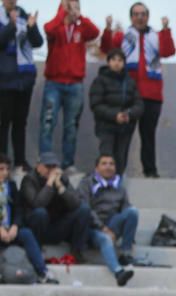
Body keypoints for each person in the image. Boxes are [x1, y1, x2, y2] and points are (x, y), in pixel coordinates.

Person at [99, 2, 175, 178]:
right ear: (131, 17)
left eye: (143, 14)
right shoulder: (123, 35)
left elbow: (168, 51)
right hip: (129, 94)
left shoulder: (156, 35)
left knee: (148, 135)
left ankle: (150, 170)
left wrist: (166, 30)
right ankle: (118, 172)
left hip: (152, 93)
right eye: (135, 14)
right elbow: (107, 49)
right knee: (124, 135)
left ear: (147, 16)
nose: (139, 17)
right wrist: (108, 30)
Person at [40, 0, 100, 172]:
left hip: (75, 84)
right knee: (47, 123)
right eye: (70, 6)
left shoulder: (81, 29)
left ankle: (68, 163)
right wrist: (62, 14)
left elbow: (95, 32)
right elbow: (48, 29)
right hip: (54, 83)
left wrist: (79, 16)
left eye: (77, 7)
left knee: (71, 126)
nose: (73, 10)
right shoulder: (56, 28)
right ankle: (45, 161)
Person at [76, 153, 136, 286]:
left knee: (132, 212)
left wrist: (127, 233)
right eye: (104, 164)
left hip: (112, 224)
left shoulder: (119, 186)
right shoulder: (86, 183)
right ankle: (118, 272)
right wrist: (102, 228)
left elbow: (126, 209)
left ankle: (126, 253)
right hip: (92, 228)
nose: (108, 167)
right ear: (96, 168)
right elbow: (84, 209)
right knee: (105, 239)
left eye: (111, 164)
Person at [19, 151, 89, 260]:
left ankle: (77, 251)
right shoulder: (29, 180)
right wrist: (49, 183)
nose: (51, 170)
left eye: (54, 166)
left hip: (57, 226)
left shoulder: (62, 179)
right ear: (38, 166)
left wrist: (60, 187)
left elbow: (76, 204)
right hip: (36, 228)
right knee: (40, 213)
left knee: (84, 209)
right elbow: (37, 204)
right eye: (48, 166)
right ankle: (37, 251)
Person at [0, 154, 58, 283]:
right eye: (1, 169)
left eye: (7, 169)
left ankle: (43, 272)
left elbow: (19, 208)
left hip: (10, 230)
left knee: (26, 233)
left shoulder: (11, 186)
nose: (5, 173)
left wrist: (15, 226)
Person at [0, 0, 42, 173]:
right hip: (5, 79)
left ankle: (20, 161)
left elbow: (37, 42)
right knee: (4, 122)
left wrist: (31, 27)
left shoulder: (24, 15)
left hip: (24, 79)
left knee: (20, 122)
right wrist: (11, 24)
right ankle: (2, 161)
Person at [88, 48, 143, 174]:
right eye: (113, 60)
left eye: (120, 60)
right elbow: (96, 105)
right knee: (106, 157)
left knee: (121, 158)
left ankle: (117, 187)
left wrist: (128, 114)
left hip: (125, 127)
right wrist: (114, 115)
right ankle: (102, 185)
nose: (116, 63)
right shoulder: (100, 81)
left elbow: (139, 104)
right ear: (108, 62)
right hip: (106, 126)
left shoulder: (130, 82)